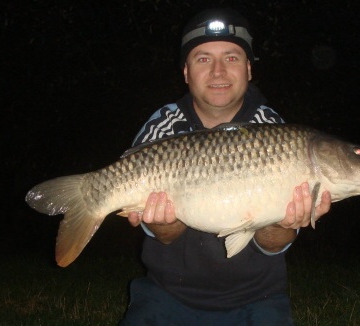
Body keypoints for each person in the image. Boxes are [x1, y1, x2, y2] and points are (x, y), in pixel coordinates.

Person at [119, 8, 331, 326]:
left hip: (257, 299)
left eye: (231, 58)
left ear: (248, 69)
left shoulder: (276, 132)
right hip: (167, 294)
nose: (218, 71)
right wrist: (163, 222)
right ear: (186, 72)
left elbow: (271, 245)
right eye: (203, 59)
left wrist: (285, 225)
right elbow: (162, 236)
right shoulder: (162, 128)